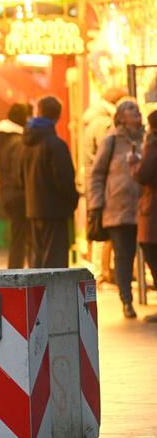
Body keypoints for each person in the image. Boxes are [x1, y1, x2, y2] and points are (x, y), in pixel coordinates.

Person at [89, 99, 143, 318]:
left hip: (146, 208)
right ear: (120, 116)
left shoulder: (148, 138)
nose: (136, 111)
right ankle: (126, 300)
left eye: (136, 108)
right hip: (118, 209)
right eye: (130, 108)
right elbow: (97, 174)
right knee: (124, 256)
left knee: (151, 254)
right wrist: (96, 205)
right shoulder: (111, 140)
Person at [23, 96, 79, 269]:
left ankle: (37, 295)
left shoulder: (27, 144)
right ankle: (52, 295)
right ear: (58, 116)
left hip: (33, 208)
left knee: (37, 259)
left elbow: (21, 176)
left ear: (38, 112)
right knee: (54, 262)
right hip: (55, 211)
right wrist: (73, 201)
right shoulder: (56, 145)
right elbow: (65, 179)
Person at [83, 87, 127, 283]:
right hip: (103, 184)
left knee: (101, 228)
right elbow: (105, 155)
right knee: (102, 229)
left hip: (96, 181)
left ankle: (103, 272)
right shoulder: (103, 123)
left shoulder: (94, 119)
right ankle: (101, 272)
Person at [0, 103, 32, 268]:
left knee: (17, 236)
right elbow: (19, 172)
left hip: (7, 193)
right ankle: (16, 272)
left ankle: (15, 270)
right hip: (18, 195)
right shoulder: (18, 141)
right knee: (21, 238)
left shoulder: (5, 139)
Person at [130, 109, 157, 323]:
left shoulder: (153, 145)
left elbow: (143, 174)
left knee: (151, 252)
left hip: (153, 209)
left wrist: (134, 163)